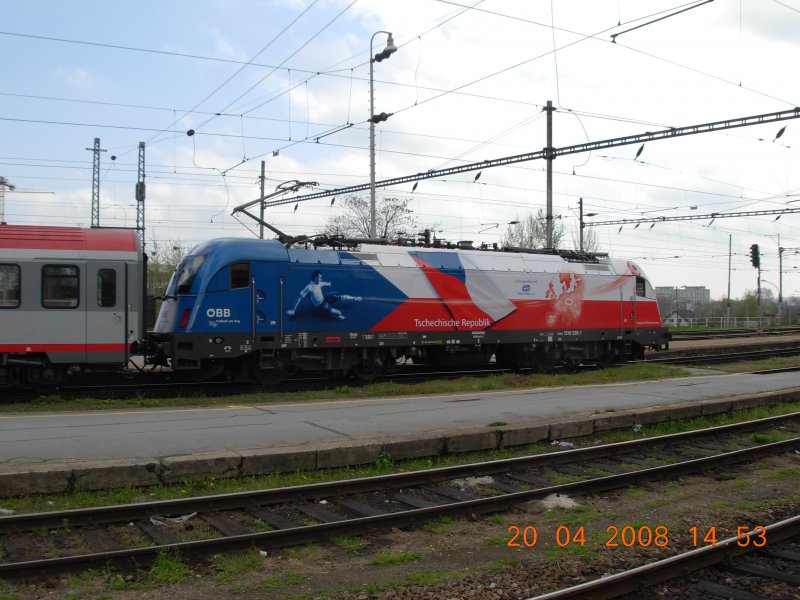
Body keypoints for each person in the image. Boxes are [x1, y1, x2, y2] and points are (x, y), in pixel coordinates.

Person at [287, 270, 362, 320]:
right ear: (315, 278)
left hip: (325, 299)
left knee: (339, 296)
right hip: (321, 307)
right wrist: (293, 310)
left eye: (321, 278)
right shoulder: (309, 287)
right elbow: (299, 298)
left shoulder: (319, 283)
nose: (320, 279)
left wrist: (329, 283)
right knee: (339, 313)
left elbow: (323, 283)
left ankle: (355, 298)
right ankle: (335, 316)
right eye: (319, 278)